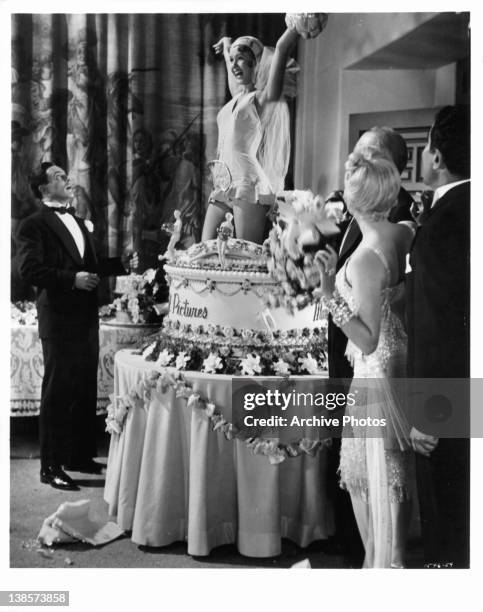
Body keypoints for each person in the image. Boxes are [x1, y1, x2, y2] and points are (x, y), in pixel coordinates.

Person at [316, 152, 416, 567]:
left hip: (374, 373)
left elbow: (368, 339)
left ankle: (380, 566)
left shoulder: (364, 257)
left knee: (367, 476)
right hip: (400, 364)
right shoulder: (401, 235)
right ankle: (387, 559)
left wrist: (329, 296)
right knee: (391, 475)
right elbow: (404, 291)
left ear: (353, 203)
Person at [16, 162, 137, 490]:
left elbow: (90, 267)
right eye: (57, 177)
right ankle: (50, 465)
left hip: (85, 318)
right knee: (57, 391)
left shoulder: (79, 221)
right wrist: (72, 280)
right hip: (58, 319)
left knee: (84, 387)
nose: (66, 179)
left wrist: (121, 266)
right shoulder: (33, 225)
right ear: (43, 188)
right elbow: (30, 270)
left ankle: (79, 456)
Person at [406, 105, 470, 568]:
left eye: (427, 145)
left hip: (448, 405)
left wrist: (431, 412)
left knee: (446, 532)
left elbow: (443, 326)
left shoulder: (447, 223)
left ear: (438, 156)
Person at [201, 27, 304, 244]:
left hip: (247, 183)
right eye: (232, 60)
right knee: (205, 249)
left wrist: (285, 42)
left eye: (241, 59)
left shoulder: (260, 100)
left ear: (255, 63)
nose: (235, 65)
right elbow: (232, 72)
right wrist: (228, 45)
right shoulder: (236, 97)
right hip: (223, 182)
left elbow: (273, 89)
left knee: (247, 255)